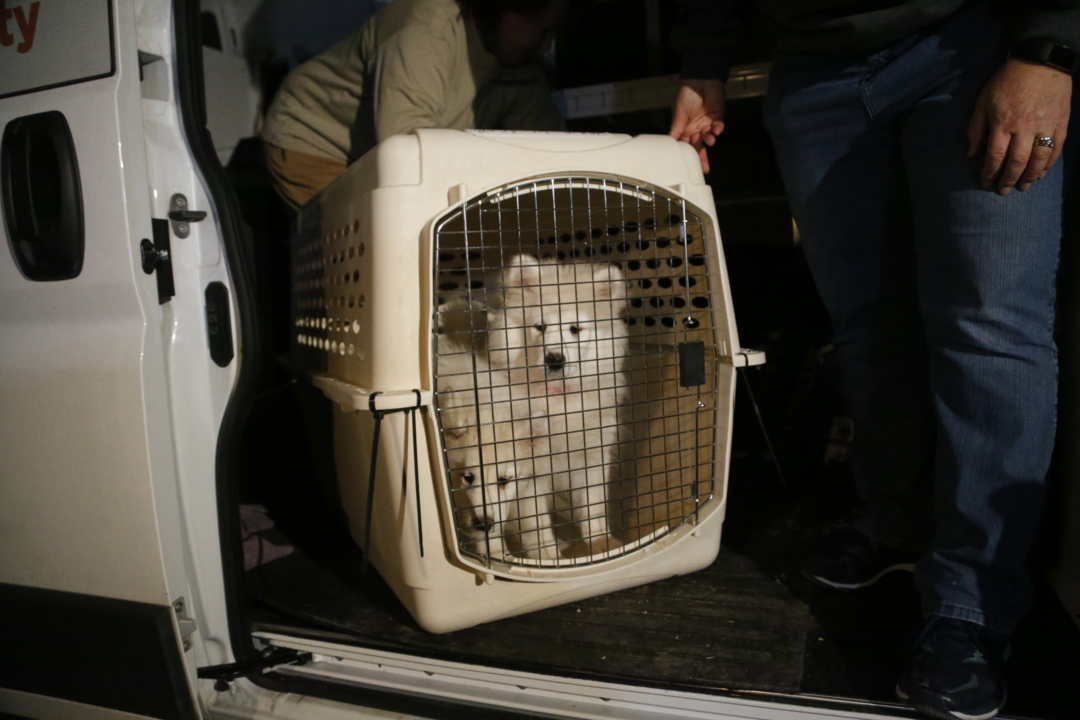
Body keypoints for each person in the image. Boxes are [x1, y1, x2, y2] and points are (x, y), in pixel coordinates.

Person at [670, 2, 1079, 719]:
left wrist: (1051, 47)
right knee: (865, 326)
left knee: (990, 330)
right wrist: (704, 63)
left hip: (970, 43)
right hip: (811, 72)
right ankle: (896, 520)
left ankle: (972, 604)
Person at [261, 0, 571, 210]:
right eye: (543, 29)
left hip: (384, 153)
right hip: (316, 138)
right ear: (509, 8)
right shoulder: (426, 28)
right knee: (375, 247)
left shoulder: (524, 72)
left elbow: (548, 159)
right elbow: (409, 151)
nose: (546, 45)